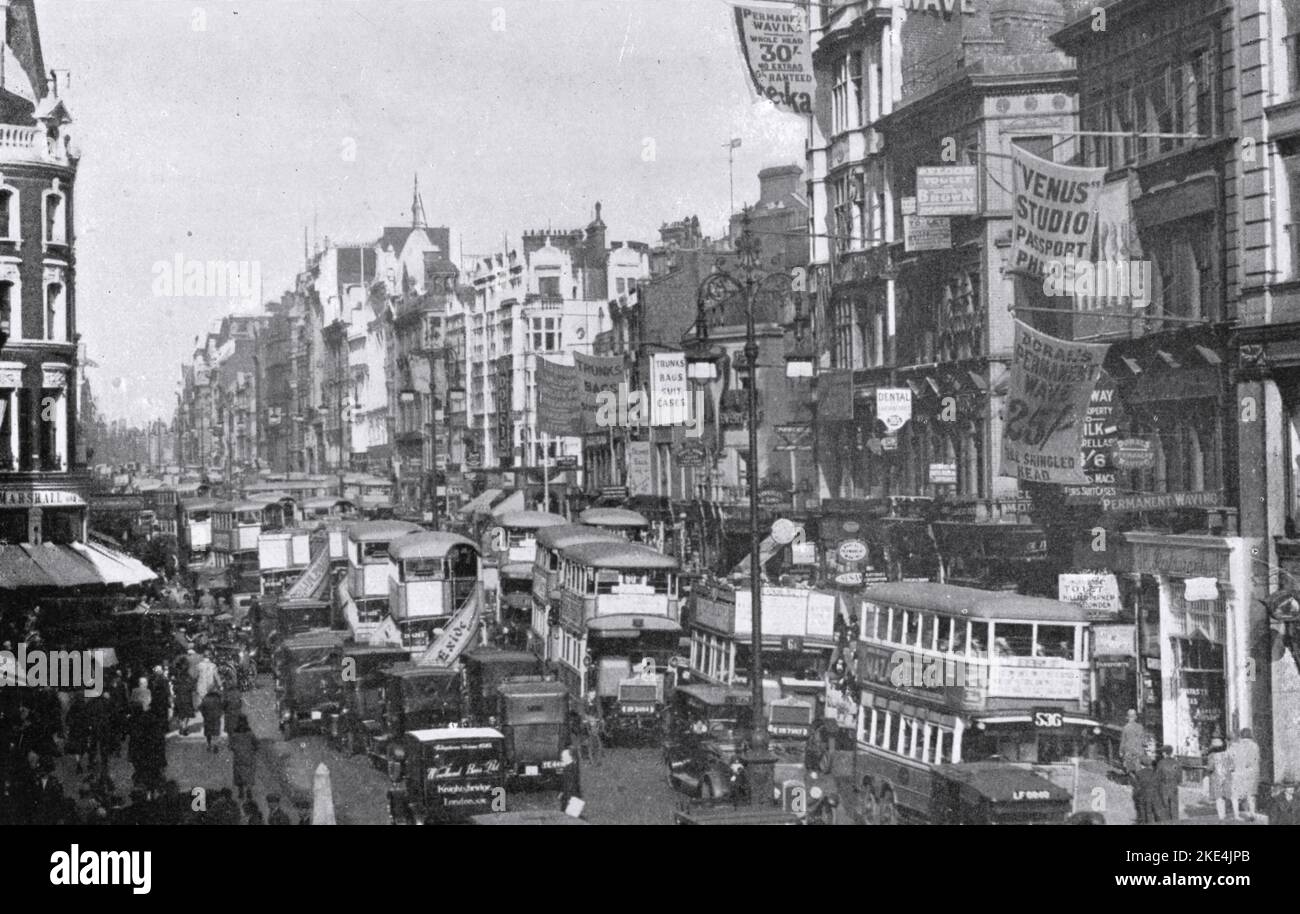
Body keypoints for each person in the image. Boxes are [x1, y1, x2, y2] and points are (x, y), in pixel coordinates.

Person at [1227, 727, 1260, 821]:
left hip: (1238, 774)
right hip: (1251, 774)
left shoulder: (1236, 746)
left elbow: (1229, 758)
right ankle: (1252, 813)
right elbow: (1256, 760)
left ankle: (1237, 815)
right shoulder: (1255, 746)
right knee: (1251, 795)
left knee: (1235, 796)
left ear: (1241, 736)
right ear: (1250, 735)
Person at [228, 714, 258, 801]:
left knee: (239, 774)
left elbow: (230, 746)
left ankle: (241, 791)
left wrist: (236, 749)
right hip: (249, 757)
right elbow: (256, 744)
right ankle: (249, 788)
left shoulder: (234, 734)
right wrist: (253, 749)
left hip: (238, 757)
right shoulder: (250, 734)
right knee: (249, 773)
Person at [1206, 736, 1235, 821]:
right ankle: (1224, 814)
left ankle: (1221, 817)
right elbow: (1232, 767)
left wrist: (1207, 769)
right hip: (1226, 778)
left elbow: (1210, 768)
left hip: (1216, 779)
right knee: (1224, 797)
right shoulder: (1227, 754)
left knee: (1218, 798)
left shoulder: (1211, 756)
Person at [1155, 745, 1182, 822]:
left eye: (1162, 752)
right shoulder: (1176, 763)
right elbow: (1180, 778)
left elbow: (1157, 777)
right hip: (1174, 787)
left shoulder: (1161, 763)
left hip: (1164, 787)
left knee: (1165, 807)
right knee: (1174, 808)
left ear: (1164, 753)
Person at [1119, 709, 1147, 778]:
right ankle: (1139, 781)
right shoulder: (1140, 727)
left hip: (1129, 750)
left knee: (1129, 768)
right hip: (1138, 750)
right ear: (1135, 717)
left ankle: (1132, 781)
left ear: (1127, 717)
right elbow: (1143, 740)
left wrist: (1120, 751)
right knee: (1137, 766)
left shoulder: (1125, 728)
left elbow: (1123, 741)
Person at [1132, 758, 1159, 825]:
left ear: (1141, 764)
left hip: (1142, 797)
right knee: (1149, 814)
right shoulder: (1154, 773)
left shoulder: (1138, 773)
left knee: (1142, 814)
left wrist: (1135, 798)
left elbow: (1136, 787)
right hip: (1152, 797)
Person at [199, 688, 224, 753]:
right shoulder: (218, 698)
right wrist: (220, 714)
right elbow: (222, 707)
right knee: (216, 731)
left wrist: (204, 715)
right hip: (216, 717)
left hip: (207, 718)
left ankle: (209, 744)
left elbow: (201, 708)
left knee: (208, 732)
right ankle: (215, 744)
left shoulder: (205, 698)